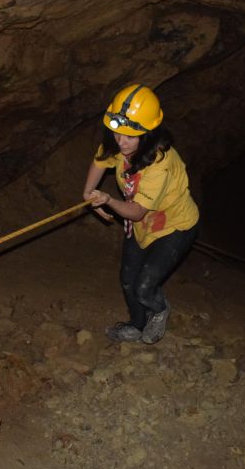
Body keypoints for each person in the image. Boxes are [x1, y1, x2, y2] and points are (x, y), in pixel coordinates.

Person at [83, 83, 199, 344]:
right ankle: (137, 324)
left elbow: (135, 212)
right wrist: (89, 194)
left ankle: (159, 310)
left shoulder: (160, 163)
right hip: (143, 224)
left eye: (129, 136)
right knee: (127, 281)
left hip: (174, 225)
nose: (120, 141)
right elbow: (100, 161)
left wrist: (108, 199)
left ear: (147, 133)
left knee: (144, 288)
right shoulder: (119, 143)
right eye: (116, 133)